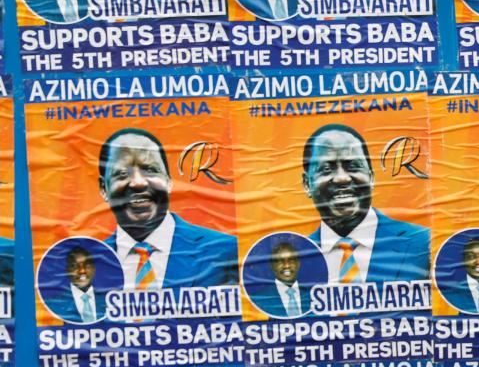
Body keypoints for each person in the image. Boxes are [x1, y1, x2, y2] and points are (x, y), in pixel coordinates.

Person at [98, 128, 239, 289]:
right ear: (104, 188)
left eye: (150, 170)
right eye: (122, 173)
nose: (138, 182)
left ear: (169, 182)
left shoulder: (227, 252)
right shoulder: (90, 262)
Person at [302, 124, 431, 283]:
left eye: (353, 166)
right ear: (306, 184)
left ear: (371, 178)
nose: (342, 178)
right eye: (326, 169)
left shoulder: (425, 244)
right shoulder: (296, 259)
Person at [246, 240, 310, 318]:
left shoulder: (312, 297)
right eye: (280, 261)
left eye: (291, 259)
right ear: (272, 265)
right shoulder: (258, 300)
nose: (286, 265)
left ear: (298, 263)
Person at [59, 246, 104, 324]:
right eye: (75, 266)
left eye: (87, 265)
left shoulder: (108, 300)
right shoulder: (56, 304)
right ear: (67, 270)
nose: (82, 271)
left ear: (94, 268)